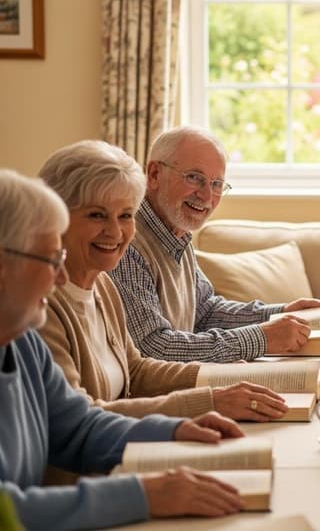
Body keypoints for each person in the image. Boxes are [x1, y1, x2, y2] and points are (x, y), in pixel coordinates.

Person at [0, 169, 248, 529]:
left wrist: (174, 430)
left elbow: (78, 427)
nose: (62, 278)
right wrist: (143, 495)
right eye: (53, 260)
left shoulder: (23, 343)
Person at [38, 141, 288, 421]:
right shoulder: (41, 307)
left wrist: (226, 375)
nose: (115, 231)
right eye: (97, 215)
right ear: (55, 215)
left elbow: (137, 371)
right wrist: (209, 401)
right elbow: (78, 419)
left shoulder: (102, 286)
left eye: (125, 216)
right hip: (101, 461)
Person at [109, 126, 320, 363]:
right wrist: (260, 338)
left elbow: (206, 312)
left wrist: (280, 314)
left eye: (216, 184)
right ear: (154, 175)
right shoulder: (127, 243)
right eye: (194, 177)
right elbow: (153, 347)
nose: (207, 196)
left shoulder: (177, 232)